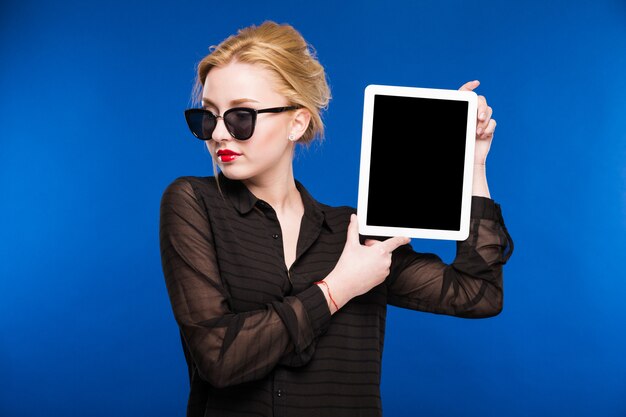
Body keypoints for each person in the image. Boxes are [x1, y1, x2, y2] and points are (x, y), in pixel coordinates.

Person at [159, 21, 513, 417]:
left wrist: (474, 164)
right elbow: (219, 358)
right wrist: (339, 287)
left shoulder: (356, 234)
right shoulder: (193, 202)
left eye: (241, 117)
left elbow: (479, 295)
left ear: (298, 121)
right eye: (207, 118)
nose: (220, 134)